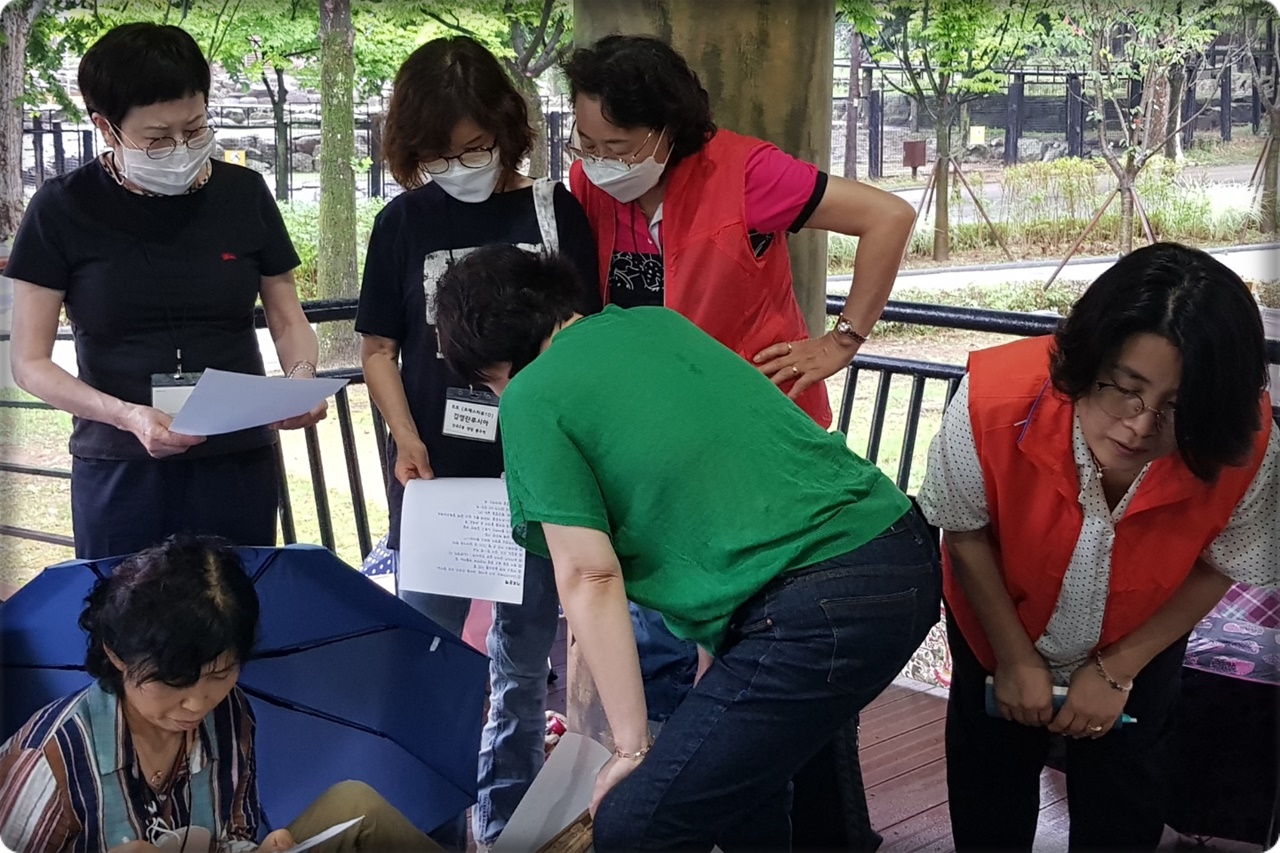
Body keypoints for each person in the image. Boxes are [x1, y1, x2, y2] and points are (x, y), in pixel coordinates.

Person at [431, 244, 942, 852]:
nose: (494, 394)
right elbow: (711, 485)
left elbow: (589, 575)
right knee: (761, 794)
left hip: (813, 601)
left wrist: (631, 748)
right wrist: (714, 654)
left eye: (486, 381)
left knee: (635, 823)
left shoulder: (531, 394)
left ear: (492, 356)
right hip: (897, 546)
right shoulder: (656, 324)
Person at [560, 34, 918, 847]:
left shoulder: (746, 172)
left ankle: (821, 832)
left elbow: (888, 216)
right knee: (694, 666)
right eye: (586, 141)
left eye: (618, 146)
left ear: (666, 132)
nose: (598, 162)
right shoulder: (589, 187)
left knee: (768, 669)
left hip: (761, 457)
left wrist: (841, 340)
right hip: (665, 458)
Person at [916, 242, 1279, 851]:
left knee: (1124, 804)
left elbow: (1224, 563)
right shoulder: (993, 398)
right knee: (990, 792)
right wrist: (1014, 658)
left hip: (1143, 636)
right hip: (996, 622)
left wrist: (1117, 670)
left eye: (1178, 406)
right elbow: (965, 533)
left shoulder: (1245, 441)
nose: (1140, 425)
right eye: (1125, 389)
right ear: (1086, 361)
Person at [354, 36, 600, 850]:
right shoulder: (402, 222)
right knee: (430, 662)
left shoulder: (555, 213)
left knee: (522, 666)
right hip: (436, 485)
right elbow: (377, 348)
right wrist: (405, 438)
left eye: (475, 148)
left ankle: (507, 825)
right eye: (437, 155)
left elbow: (586, 342)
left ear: (506, 129)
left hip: (539, 478)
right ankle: (434, 829)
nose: (458, 167)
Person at [6, 23, 324, 561]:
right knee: (122, 609)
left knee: (236, 602)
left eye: (195, 129)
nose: (181, 148)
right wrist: (127, 416)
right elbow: (30, 363)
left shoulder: (244, 195)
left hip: (235, 458)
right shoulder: (62, 208)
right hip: (120, 463)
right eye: (156, 138)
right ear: (105, 127)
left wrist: (300, 379)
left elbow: (288, 317)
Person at [0, 535, 442, 853]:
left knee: (355, 806)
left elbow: (232, 833)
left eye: (220, 673)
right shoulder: (49, 760)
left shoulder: (228, 712)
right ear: (116, 654)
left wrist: (259, 848)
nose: (198, 703)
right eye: (174, 680)